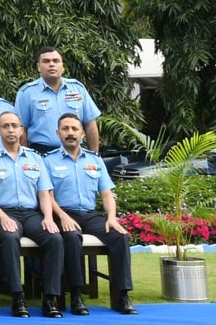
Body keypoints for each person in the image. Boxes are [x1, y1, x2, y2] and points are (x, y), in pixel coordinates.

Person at [45, 113, 137, 316]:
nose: (70, 133)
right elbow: (46, 195)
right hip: (64, 213)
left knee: (120, 236)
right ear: (57, 133)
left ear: (83, 134)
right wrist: (61, 215)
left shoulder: (95, 161)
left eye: (74, 129)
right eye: (66, 129)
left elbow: (106, 193)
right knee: (71, 237)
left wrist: (111, 217)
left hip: (90, 214)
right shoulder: (48, 161)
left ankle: (122, 296)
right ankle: (76, 294)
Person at [0, 111, 64, 318]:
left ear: (21, 130)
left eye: (14, 126)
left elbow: (44, 193)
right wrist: (2, 217)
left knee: (55, 239)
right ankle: (18, 296)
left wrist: (48, 217)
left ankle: (50, 297)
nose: (10, 130)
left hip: (32, 214)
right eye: (5, 126)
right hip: (3, 213)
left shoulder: (35, 158)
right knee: (9, 238)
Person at [15, 47, 101, 154]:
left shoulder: (78, 88)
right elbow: (21, 129)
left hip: (75, 152)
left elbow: (90, 124)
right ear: (38, 67)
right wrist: (26, 158)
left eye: (56, 61)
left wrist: (94, 155)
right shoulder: (27, 93)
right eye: (46, 61)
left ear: (63, 66)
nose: (51, 64)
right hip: (42, 154)